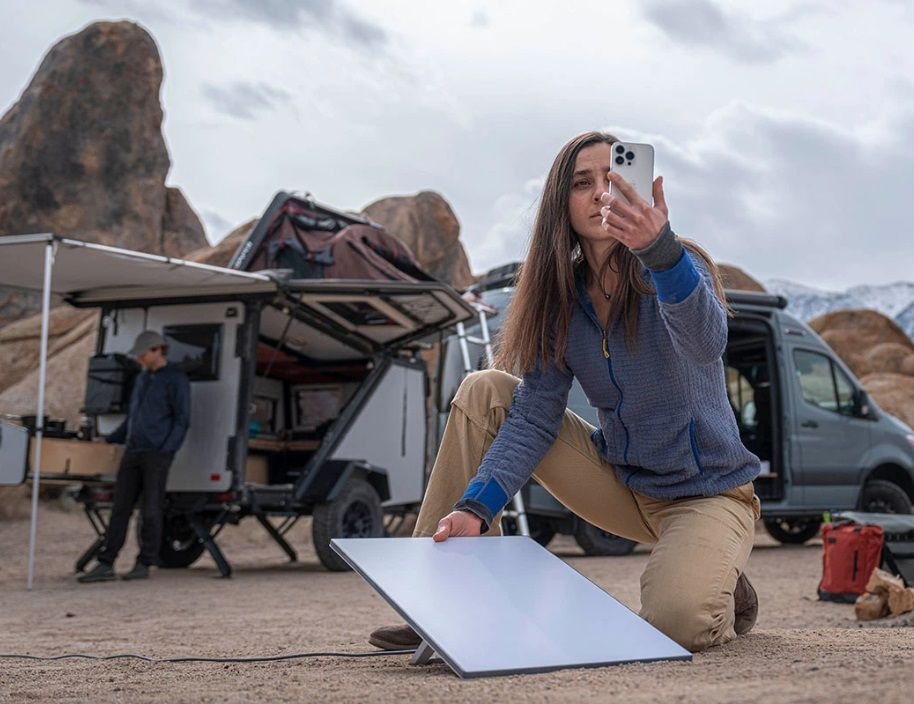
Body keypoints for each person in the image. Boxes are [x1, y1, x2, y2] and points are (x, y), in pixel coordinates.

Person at [369, 131, 762, 653]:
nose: (601, 192)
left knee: (678, 623)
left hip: (707, 495)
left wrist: (659, 252)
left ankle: (714, 572)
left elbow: (706, 343)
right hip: (622, 483)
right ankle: (440, 604)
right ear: (562, 203)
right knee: (486, 389)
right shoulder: (560, 296)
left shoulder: (678, 264)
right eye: (583, 182)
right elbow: (533, 416)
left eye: (613, 178)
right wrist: (476, 507)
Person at [78, 330, 191, 582]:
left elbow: (182, 419)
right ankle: (106, 563)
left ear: (157, 350)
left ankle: (144, 562)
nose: (139, 359)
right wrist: (110, 438)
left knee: (151, 510)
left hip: (157, 454)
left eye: (142, 354)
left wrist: (167, 448)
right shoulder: (142, 379)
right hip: (133, 450)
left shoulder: (175, 379)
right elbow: (133, 418)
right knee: (120, 508)